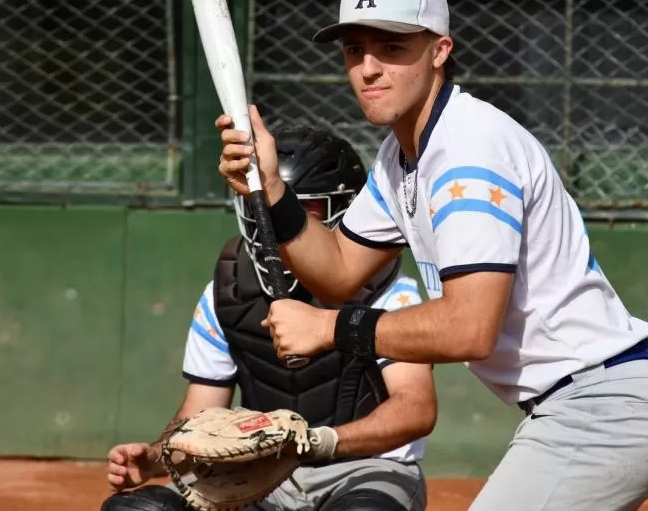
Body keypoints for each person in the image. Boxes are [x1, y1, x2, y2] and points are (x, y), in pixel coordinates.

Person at [215, 0, 648, 510]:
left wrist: (328, 327)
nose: (368, 68)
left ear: (439, 51)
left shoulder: (469, 148)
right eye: (354, 50)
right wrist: (274, 191)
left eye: (391, 48)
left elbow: (468, 328)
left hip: (602, 409)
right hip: (581, 406)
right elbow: (339, 270)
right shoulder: (402, 157)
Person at [101, 124, 435, 511]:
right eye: (268, 212)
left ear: (347, 212)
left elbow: (415, 409)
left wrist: (317, 441)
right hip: (256, 474)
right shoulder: (228, 293)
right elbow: (199, 413)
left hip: (363, 471)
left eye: (302, 212)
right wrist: (158, 458)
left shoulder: (391, 293)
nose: (278, 229)